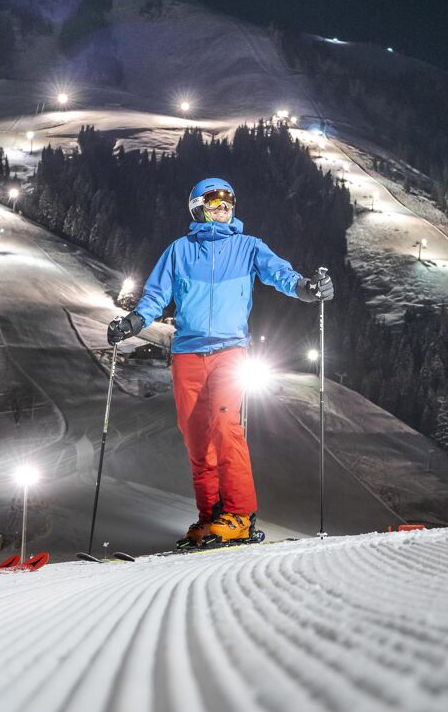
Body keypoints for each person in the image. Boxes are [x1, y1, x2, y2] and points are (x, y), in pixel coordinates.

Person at [107, 177, 333, 546]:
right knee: (197, 440)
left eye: (228, 203)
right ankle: (211, 517)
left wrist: (306, 288)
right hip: (187, 355)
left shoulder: (248, 247)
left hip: (230, 351)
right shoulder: (179, 251)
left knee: (226, 427)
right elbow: (156, 295)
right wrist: (134, 321)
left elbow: (280, 273)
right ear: (198, 207)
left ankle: (240, 515)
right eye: (214, 203)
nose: (224, 209)